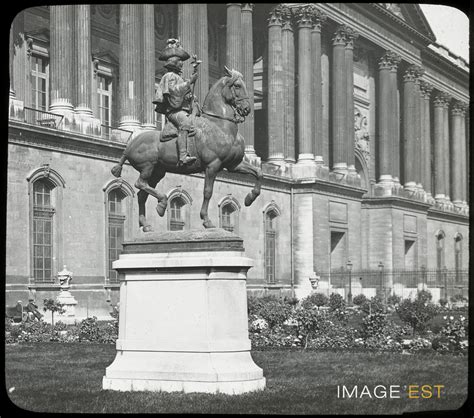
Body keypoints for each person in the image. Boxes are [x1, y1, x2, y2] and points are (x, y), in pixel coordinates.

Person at [154, 38, 198, 166]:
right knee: (185, 122)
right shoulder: (169, 76)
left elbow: (184, 94)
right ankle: (183, 156)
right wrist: (189, 82)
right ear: (173, 62)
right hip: (174, 112)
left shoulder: (179, 77)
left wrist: (191, 97)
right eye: (179, 61)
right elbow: (173, 92)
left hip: (182, 109)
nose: (181, 64)